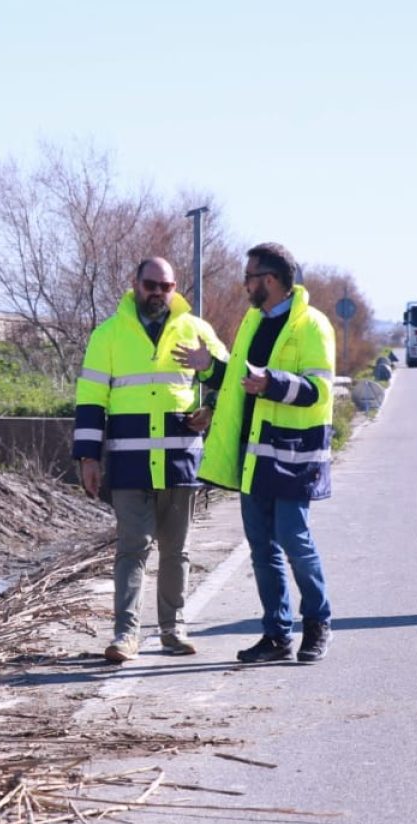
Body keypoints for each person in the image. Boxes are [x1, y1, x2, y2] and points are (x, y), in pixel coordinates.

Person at [174, 242, 336, 663]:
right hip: (252, 456)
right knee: (262, 548)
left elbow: (319, 390)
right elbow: (241, 380)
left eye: (249, 277)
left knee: (293, 540)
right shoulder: (252, 321)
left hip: (293, 456)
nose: (245, 285)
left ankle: (318, 624)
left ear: (270, 280)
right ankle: (277, 636)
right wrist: (209, 365)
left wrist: (274, 384)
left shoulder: (312, 326)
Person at [74, 257, 229, 663]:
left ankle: (173, 630)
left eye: (166, 286)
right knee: (132, 549)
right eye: (150, 285)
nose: (157, 293)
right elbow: (91, 400)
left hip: (180, 462)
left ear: (175, 288)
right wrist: (88, 457)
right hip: (129, 464)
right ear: (135, 284)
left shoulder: (197, 331)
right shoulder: (108, 335)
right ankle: (125, 636)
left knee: (176, 551)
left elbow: (230, 382)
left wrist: (210, 406)